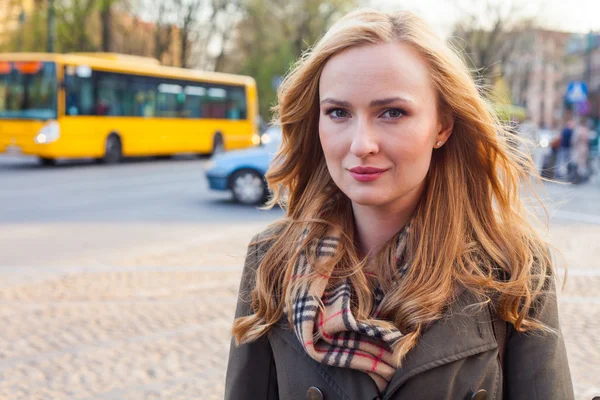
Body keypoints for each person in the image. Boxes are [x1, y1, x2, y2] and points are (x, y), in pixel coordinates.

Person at [225, 9, 573, 400]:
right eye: (338, 112)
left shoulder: (512, 267)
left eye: (392, 112)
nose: (361, 144)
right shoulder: (271, 259)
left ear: (442, 126)